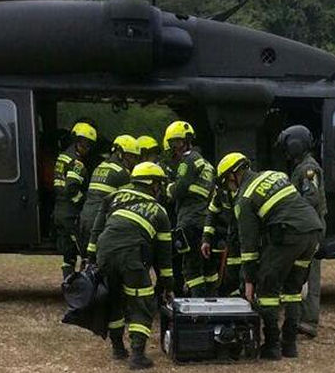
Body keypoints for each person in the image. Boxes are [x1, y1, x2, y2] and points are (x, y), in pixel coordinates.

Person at [216, 152, 323, 360]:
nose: (228, 188)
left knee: (267, 290)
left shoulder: (244, 198)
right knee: (292, 290)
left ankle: (272, 346)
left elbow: (248, 245)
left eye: (226, 182)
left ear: (233, 175)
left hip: (288, 236)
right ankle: (290, 345)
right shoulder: (275, 175)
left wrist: (249, 280)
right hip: (312, 232)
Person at [86, 162, 174, 370]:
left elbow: (96, 229)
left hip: (104, 254)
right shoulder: (159, 211)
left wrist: (90, 257)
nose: (160, 189)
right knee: (141, 302)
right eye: (159, 184)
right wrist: (167, 284)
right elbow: (164, 256)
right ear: (152, 184)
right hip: (131, 259)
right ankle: (137, 355)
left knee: (114, 298)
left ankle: (118, 348)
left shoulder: (113, 197)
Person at [275, 125, 328, 338]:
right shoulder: (300, 167)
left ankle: (309, 321)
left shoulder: (308, 169)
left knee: (310, 274)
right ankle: (298, 319)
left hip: (310, 227)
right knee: (299, 273)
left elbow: (311, 198)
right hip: (306, 226)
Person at [164, 121, 216, 296]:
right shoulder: (207, 164)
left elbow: (179, 190)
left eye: (176, 143)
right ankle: (211, 301)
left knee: (191, 267)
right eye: (172, 144)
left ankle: (197, 308)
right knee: (207, 267)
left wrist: (168, 188)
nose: (174, 148)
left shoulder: (188, 160)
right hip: (204, 221)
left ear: (186, 141)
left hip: (189, 221)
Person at [79, 135, 140, 252]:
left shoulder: (99, 167)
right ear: (120, 153)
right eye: (131, 156)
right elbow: (128, 205)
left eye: (135, 157)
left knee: (88, 261)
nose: (134, 161)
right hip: (100, 224)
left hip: (85, 219)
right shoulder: (121, 173)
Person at [53, 122, 97, 279]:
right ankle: (82, 287)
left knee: (68, 254)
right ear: (77, 141)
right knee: (83, 250)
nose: (87, 148)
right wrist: (83, 203)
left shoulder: (63, 156)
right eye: (85, 143)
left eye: (89, 145)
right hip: (70, 214)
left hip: (59, 210)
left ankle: (68, 284)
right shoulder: (77, 163)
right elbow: (72, 188)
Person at [200, 185, 242, 297]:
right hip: (229, 239)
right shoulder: (221, 193)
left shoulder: (247, 189)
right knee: (230, 278)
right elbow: (211, 214)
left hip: (247, 239)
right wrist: (206, 239)